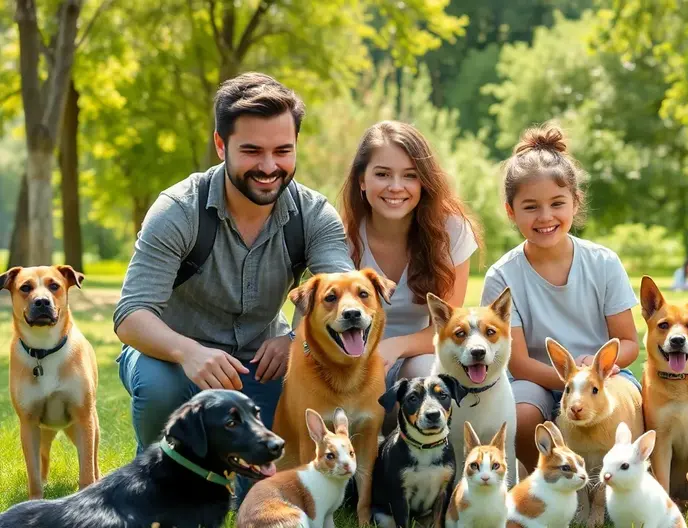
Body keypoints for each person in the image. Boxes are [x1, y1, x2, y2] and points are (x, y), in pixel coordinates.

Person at [114, 72, 354, 454]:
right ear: (221, 145)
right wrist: (188, 352)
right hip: (174, 359)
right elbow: (130, 315)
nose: (269, 166)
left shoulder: (314, 214)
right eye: (252, 151)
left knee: (262, 483)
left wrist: (296, 340)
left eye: (282, 150)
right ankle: (158, 478)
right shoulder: (178, 210)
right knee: (161, 386)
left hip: (261, 364)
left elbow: (342, 292)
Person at [480, 122, 640, 472]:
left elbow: (628, 342)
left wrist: (593, 377)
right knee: (522, 414)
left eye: (557, 203)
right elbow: (518, 363)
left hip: (603, 380)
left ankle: (625, 476)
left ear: (575, 202)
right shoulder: (502, 277)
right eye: (530, 207)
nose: (545, 217)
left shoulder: (603, 263)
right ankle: (544, 477)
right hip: (536, 382)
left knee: (641, 401)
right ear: (510, 211)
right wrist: (572, 382)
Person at [338, 121, 482, 397]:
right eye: (382, 174)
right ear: (361, 180)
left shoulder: (450, 230)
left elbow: (449, 327)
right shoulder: (341, 237)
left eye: (409, 176)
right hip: (350, 365)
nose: (396, 187)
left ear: (424, 182)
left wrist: (396, 346)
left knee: (430, 374)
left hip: (414, 360)